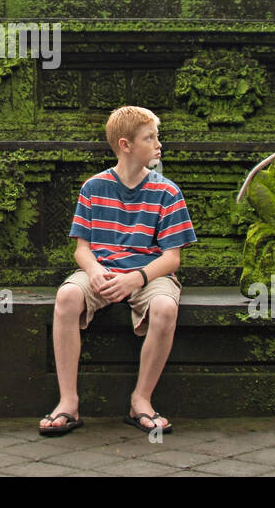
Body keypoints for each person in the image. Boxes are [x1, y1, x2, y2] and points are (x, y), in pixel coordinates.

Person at [40, 106, 196, 436]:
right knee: (67, 296)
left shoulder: (167, 192)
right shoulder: (93, 188)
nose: (158, 145)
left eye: (157, 137)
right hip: (102, 270)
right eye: (149, 138)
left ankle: (141, 400)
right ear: (125, 145)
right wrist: (95, 270)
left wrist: (136, 278)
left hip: (148, 274)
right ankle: (68, 402)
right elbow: (81, 250)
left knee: (165, 307)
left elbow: (171, 259)